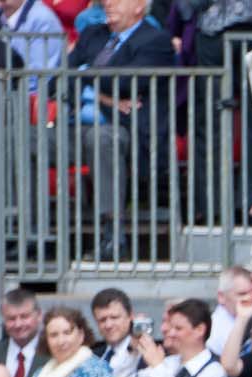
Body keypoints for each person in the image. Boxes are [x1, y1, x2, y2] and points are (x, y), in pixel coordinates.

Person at [59, 0, 171, 261]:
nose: (108, 3)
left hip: (127, 129)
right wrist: (105, 96)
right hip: (77, 125)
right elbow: (59, 80)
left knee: (103, 138)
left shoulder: (155, 40)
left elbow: (128, 81)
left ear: (139, 6)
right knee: (27, 140)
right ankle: (31, 234)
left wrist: (85, 75)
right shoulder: (92, 35)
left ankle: (113, 235)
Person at [88, 289, 140, 377]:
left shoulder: (144, 353)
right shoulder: (91, 356)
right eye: (102, 320)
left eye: (114, 317)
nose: (108, 325)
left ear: (130, 316)